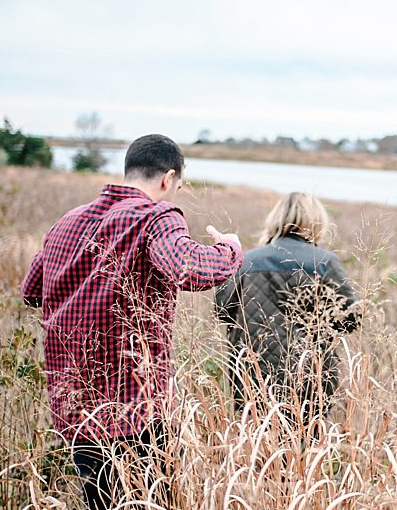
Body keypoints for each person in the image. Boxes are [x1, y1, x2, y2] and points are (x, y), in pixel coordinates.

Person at [21, 134, 242, 509]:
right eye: (177, 187)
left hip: (77, 407)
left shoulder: (67, 222)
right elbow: (187, 268)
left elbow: (31, 291)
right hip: (137, 408)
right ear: (168, 179)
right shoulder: (155, 216)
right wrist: (229, 248)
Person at [215, 192, 361, 429]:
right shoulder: (324, 263)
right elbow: (350, 319)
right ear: (317, 221)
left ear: (276, 219)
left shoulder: (245, 262)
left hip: (252, 376)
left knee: (257, 444)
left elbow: (222, 311)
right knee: (305, 445)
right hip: (311, 377)